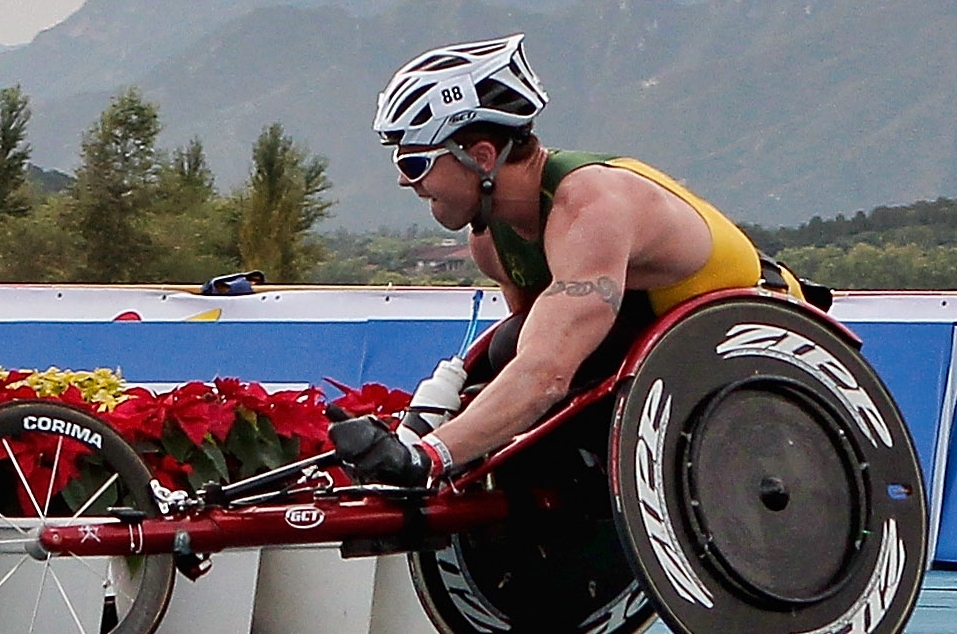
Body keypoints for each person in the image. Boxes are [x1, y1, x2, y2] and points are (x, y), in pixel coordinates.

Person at [330, 33, 816, 488]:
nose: (404, 182)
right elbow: (528, 352)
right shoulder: (490, 241)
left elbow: (546, 374)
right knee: (507, 348)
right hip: (653, 336)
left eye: (413, 163)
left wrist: (429, 457)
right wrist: (416, 429)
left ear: (480, 155)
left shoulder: (589, 207)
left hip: (752, 338)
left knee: (533, 359)